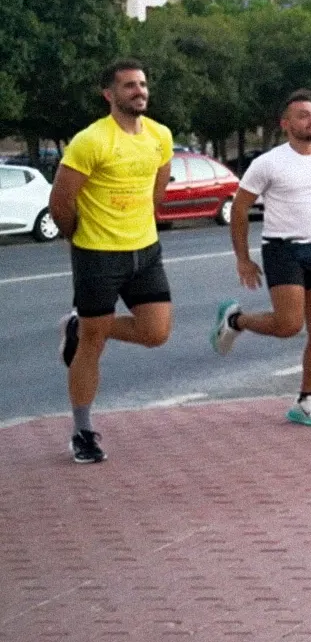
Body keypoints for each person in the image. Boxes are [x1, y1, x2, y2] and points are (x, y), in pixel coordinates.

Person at [49, 60, 175, 463]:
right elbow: (60, 202)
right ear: (110, 94)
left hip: (145, 250)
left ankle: (79, 325)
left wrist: (141, 224)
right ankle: (82, 431)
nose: (139, 91)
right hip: (98, 254)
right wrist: (79, 238)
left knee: (156, 333)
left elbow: (157, 189)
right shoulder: (90, 141)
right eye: (128, 86)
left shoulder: (160, 135)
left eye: (142, 84)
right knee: (93, 342)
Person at [211, 90, 311, 425]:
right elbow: (241, 209)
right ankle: (235, 320)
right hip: (282, 248)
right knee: (289, 325)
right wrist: (243, 259)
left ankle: (306, 400)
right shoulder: (268, 163)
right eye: (303, 115)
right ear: (286, 124)